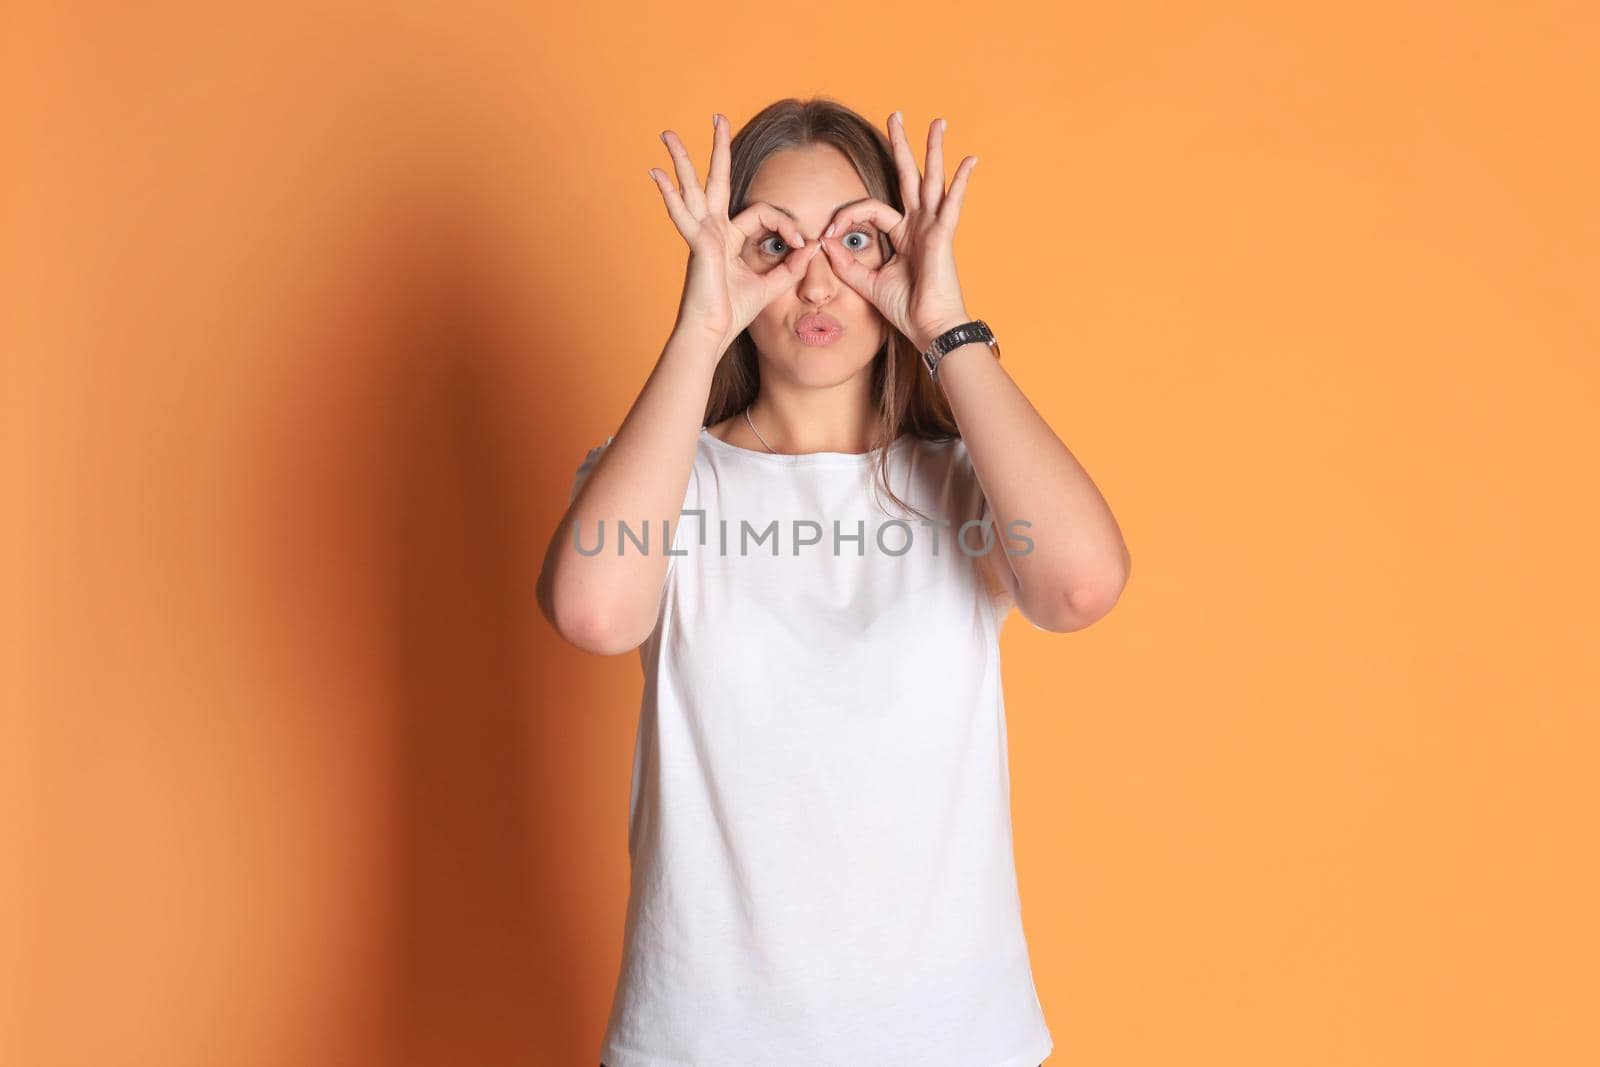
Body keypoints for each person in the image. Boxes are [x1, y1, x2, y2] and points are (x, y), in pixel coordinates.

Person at [539, 96, 1131, 1067]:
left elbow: (1079, 586)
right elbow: (596, 612)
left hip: (953, 1040)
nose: (817, 282)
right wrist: (699, 326)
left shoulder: (967, 479)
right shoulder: (660, 477)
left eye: (856, 239)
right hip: (701, 1042)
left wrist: (944, 322)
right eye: (773, 247)